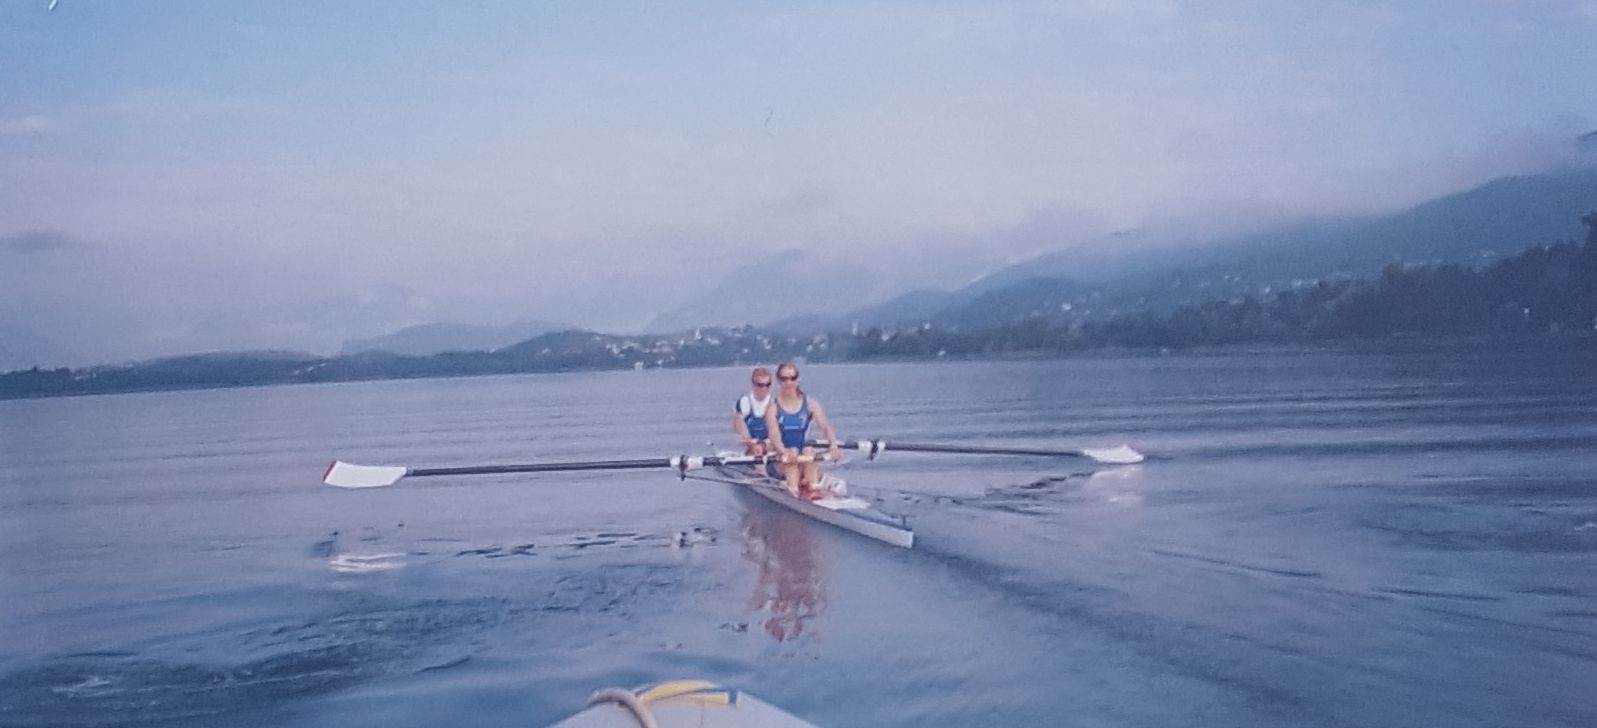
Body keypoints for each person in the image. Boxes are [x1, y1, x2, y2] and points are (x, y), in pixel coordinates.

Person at [762, 360, 841, 499]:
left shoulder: (810, 404)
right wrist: (782, 451)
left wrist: (833, 447)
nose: (789, 382)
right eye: (785, 379)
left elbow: (825, 427)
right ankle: (794, 491)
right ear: (779, 381)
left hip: (803, 458)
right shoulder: (773, 408)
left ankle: (814, 489)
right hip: (780, 461)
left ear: (797, 380)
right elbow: (774, 435)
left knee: (809, 450)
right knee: (792, 453)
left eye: (792, 378)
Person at [733, 366, 774, 459]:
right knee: (757, 449)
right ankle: (757, 470)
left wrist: (767, 442)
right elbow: (737, 426)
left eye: (767, 385)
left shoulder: (775, 403)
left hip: (771, 445)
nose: (764, 388)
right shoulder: (744, 402)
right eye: (760, 385)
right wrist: (746, 439)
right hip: (753, 445)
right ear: (753, 384)